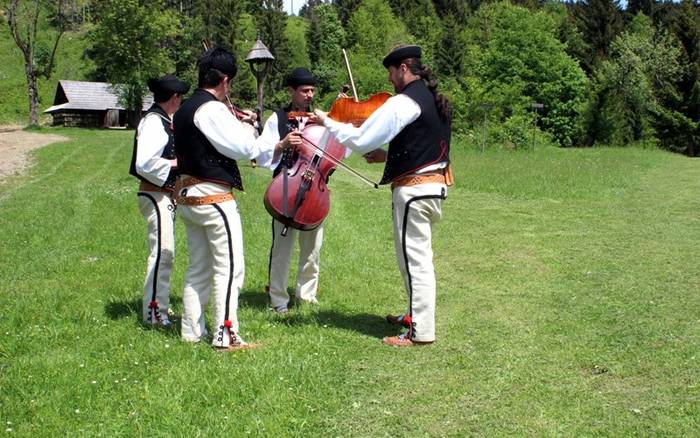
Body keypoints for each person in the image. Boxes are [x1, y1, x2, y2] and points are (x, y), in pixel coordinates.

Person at [312, 44, 453, 347]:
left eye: (391, 72)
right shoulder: (430, 99)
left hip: (414, 190)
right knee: (413, 258)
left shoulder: (405, 102)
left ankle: (420, 331)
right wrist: (388, 155)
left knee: (415, 260)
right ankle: (414, 315)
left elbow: (361, 139)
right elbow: (422, 146)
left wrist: (327, 121)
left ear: (403, 68)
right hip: (429, 186)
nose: (389, 79)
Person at [173, 47, 283, 351]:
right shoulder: (212, 109)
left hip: (188, 195)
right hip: (213, 197)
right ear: (224, 81)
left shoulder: (184, 109)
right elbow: (246, 148)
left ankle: (191, 331)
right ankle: (225, 333)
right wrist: (248, 125)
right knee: (230, 267)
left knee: (199, 267)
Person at [255, 67, 323, 314]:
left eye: (312, 90)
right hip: (285, 186)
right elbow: (261, 154)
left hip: (315, 188)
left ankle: (306, 295)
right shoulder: (278, 119)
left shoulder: (319, 119)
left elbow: (335, 153)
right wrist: (282, 144)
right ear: (292, 91)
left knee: (312, 247)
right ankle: (278, 300)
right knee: (282, 248)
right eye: (305, 90)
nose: (310, 95)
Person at [129, 74, 190, 327]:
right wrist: (178, 163)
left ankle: (157, 308)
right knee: (163, 252)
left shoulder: (163, 120)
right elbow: (144, 163)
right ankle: (154, 313)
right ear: (174, 98)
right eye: (181, 97)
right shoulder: (154, 122)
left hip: (161, 194)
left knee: (165, 251)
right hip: (155, 193)